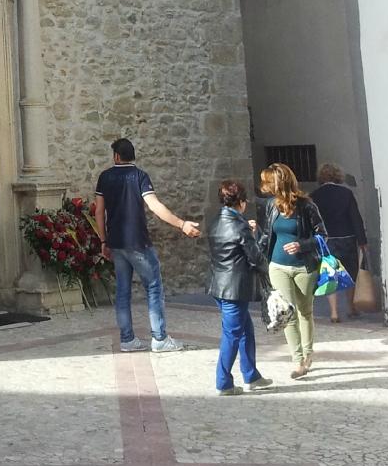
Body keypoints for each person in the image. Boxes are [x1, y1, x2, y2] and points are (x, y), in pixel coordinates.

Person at [93, 137, 200, 354]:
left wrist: (103, 241)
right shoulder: (140, 176)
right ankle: (159, 338)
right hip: (138, 242)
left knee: (122, 292)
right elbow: (155, 206)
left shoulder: (105, 177)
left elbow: (98, 211)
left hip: (116, 242)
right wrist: (181, 224)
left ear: (116, 156)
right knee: (153, 287)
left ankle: (127, 340)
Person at [256, 163, 326, 378]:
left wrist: (302, 245)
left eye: (267, 182)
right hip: (277, 266)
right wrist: (256, 251)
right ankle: (297, 361)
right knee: (288, 312)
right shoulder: (269, 206)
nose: (263, 186)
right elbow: (268, 235)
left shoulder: (306, 206)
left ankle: (308, 354)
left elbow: (322, 235)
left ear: (278, 183)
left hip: (304, 267)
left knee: (305, 312)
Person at [207, 179, 272, 395]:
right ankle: (223, 382)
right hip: (235, 288)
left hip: (218, 284)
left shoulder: (216, 221)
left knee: (245, 330)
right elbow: (255, 258)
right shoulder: (239, 226)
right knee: (232, 334)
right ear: (241, 202)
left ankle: (250, 374)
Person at [311, 163, 368, 323]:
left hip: (327, 239)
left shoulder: (315, 195)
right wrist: (362, 241)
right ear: (338, 175)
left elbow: (312, 220)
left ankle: (334, 312)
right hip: (347, 237)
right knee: (350, 273)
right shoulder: (346, 193)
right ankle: (351, 307)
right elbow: (355, 218)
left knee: (330, 275)